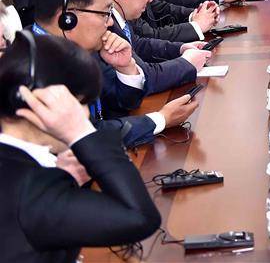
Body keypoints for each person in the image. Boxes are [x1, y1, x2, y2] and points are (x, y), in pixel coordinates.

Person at [0, 33, 161, 261]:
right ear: (35, 102)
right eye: (79, 104)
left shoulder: (20, 169)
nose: (84, 114)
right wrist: (80, 132)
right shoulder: (31, 189)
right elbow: (141, 218)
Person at [30, 0, 199, 148]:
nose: (110, 22)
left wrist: (126, 68)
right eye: (105, 13)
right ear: (68, 18)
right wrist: (161, 119)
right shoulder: (34, 70)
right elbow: (87, 137)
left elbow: (123, 103)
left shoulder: (81, 46)